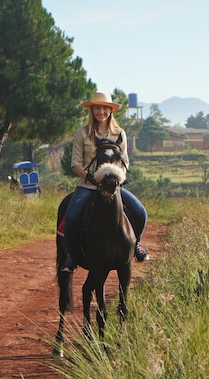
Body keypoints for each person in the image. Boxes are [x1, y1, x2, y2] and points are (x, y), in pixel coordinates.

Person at [61, 92, 149, 272]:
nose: (101, 112)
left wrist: (116, 179)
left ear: (110, 111)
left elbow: (124, 162)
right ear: (92, 110)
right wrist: (90, 176)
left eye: (105, 108)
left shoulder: (120, 134)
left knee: (140, 212)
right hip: (88, 185)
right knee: (71, 217)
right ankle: (72, 254)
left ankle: (136, 245)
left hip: (112, 187)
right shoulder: (83, 132)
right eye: (97, 108)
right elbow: (75, 163)